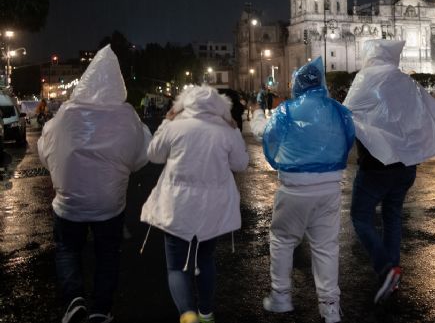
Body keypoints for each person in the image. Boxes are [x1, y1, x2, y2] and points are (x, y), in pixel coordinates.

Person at [343, 40, 435, 304]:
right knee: (392, 217)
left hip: (375, 167)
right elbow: (424, 116)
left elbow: (346, 115)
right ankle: (393, 272)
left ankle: (386, 268)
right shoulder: (406, 82)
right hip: (406, 166)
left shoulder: (365, 79)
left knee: (360, 216)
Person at [37, 45, 151, 323]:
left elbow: (45, 150)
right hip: (109, 203)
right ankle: (101, 309)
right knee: (108, 254)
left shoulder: (65, 114)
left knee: (67, 249)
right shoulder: (127, 116)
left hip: (68, 202)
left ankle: (74, 299)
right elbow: (141, 153)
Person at [256, 57, 355, 323]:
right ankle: (330, 306)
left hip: (294, 187)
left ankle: (281, 297)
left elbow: (270, 143)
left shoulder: (287, 110)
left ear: (298, 84)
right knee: (325, 247)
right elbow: (348, 140)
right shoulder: (337, 110)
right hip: (330, 186)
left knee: (283, 241)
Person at [140, 85, 249, 323]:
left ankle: (187, 313)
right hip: (212, 208)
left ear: (184, 104)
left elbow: (154, 155)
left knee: (177, 266)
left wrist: (166, 123)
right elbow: (240, 164)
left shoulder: (175, 126)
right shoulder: (225, 130)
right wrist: (234, 130)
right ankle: (206, 311)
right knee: (206, 259)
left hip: (177, 206)